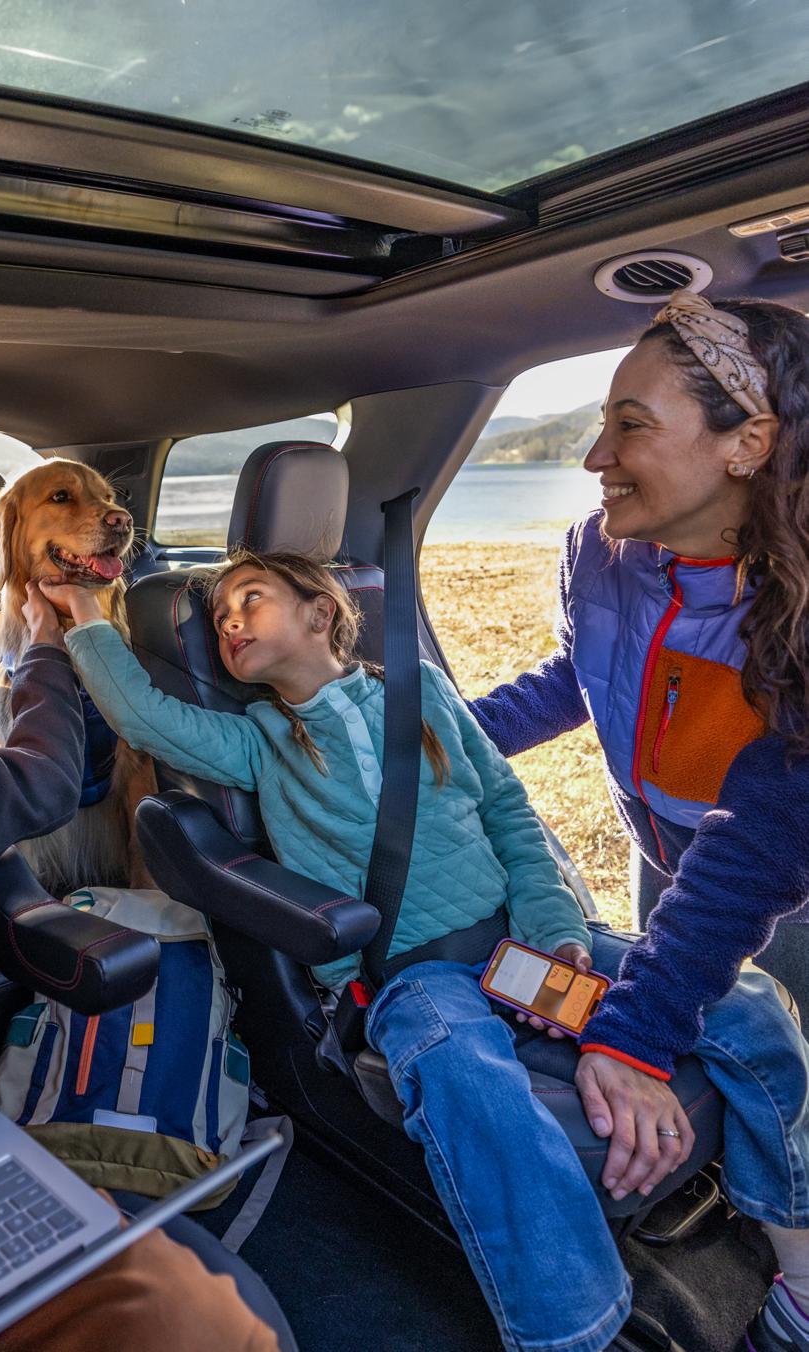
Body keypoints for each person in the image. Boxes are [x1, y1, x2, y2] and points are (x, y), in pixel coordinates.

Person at [30, 537, 809, 1352]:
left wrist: (559, 936)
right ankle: (570, 1331)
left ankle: (795, 1270)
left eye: (251, 599)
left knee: (747, 1000)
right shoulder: (259, 741)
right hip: (410, 978)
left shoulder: (422, 693)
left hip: (519, 943)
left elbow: (508, 814)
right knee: (463, 1074)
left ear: (320, 611)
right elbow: (144, 715)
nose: (230, 622)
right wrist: (85, 609)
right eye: (220, 616)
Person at [469, 289, 809, 1352]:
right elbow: (582, 674)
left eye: (630, 424)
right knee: (715, 1032)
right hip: (667, 855)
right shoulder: (599, 549)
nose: (592, 456)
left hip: (774, 874)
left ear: (747, 442)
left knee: (784, 1050)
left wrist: (634, 1030)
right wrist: (443, 740)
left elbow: (759, 843)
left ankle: (797, 1274)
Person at [0, 582, 293, 1352]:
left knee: (208, 1324)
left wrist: (62, 632)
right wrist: (51, 643)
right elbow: (41, 778)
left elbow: (43, 779)